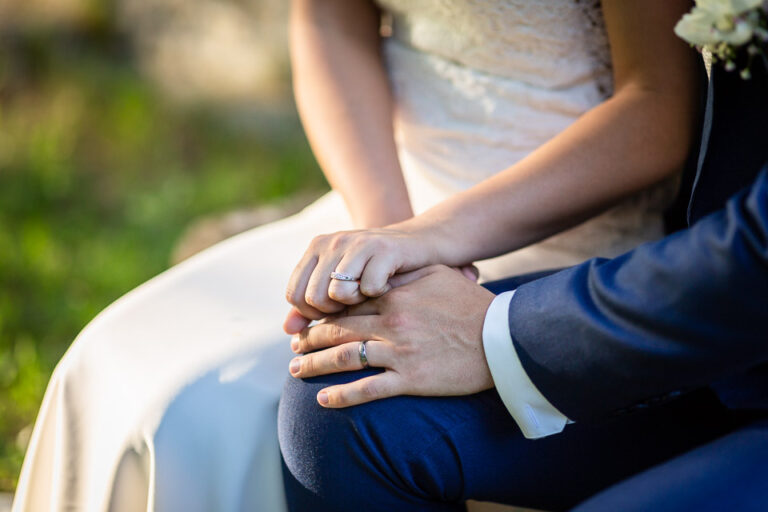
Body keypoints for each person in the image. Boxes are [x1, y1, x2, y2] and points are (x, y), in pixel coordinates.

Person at [13, 1, 699, 511]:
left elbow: (659, 104)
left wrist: (436, 238)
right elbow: (329, 23)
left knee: (216, 414)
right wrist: (390, 237)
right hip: (383, 201)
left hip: (572, 234)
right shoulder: (392, 228)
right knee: (116, 365)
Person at [278, 46, 768, 512]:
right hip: (709, 298)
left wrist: (500, 334)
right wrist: (393, 249)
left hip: (718, 294)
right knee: (337, 404)